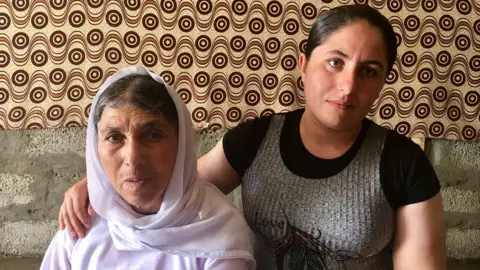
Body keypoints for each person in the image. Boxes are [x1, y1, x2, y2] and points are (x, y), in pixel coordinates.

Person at [58, 5, 447, 270]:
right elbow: (173, 181)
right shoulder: (256, 139)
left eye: (369, 71)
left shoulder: (402, 164)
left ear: (382, 81)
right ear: (304, 64)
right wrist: (95, 185)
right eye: (335, 62)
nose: (347, 86)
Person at [41, 66, 255, 269]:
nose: (133, 158)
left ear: (181, 143)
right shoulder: (80, 225)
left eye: (153, 135)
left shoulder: (219, 234)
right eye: (114, 137)